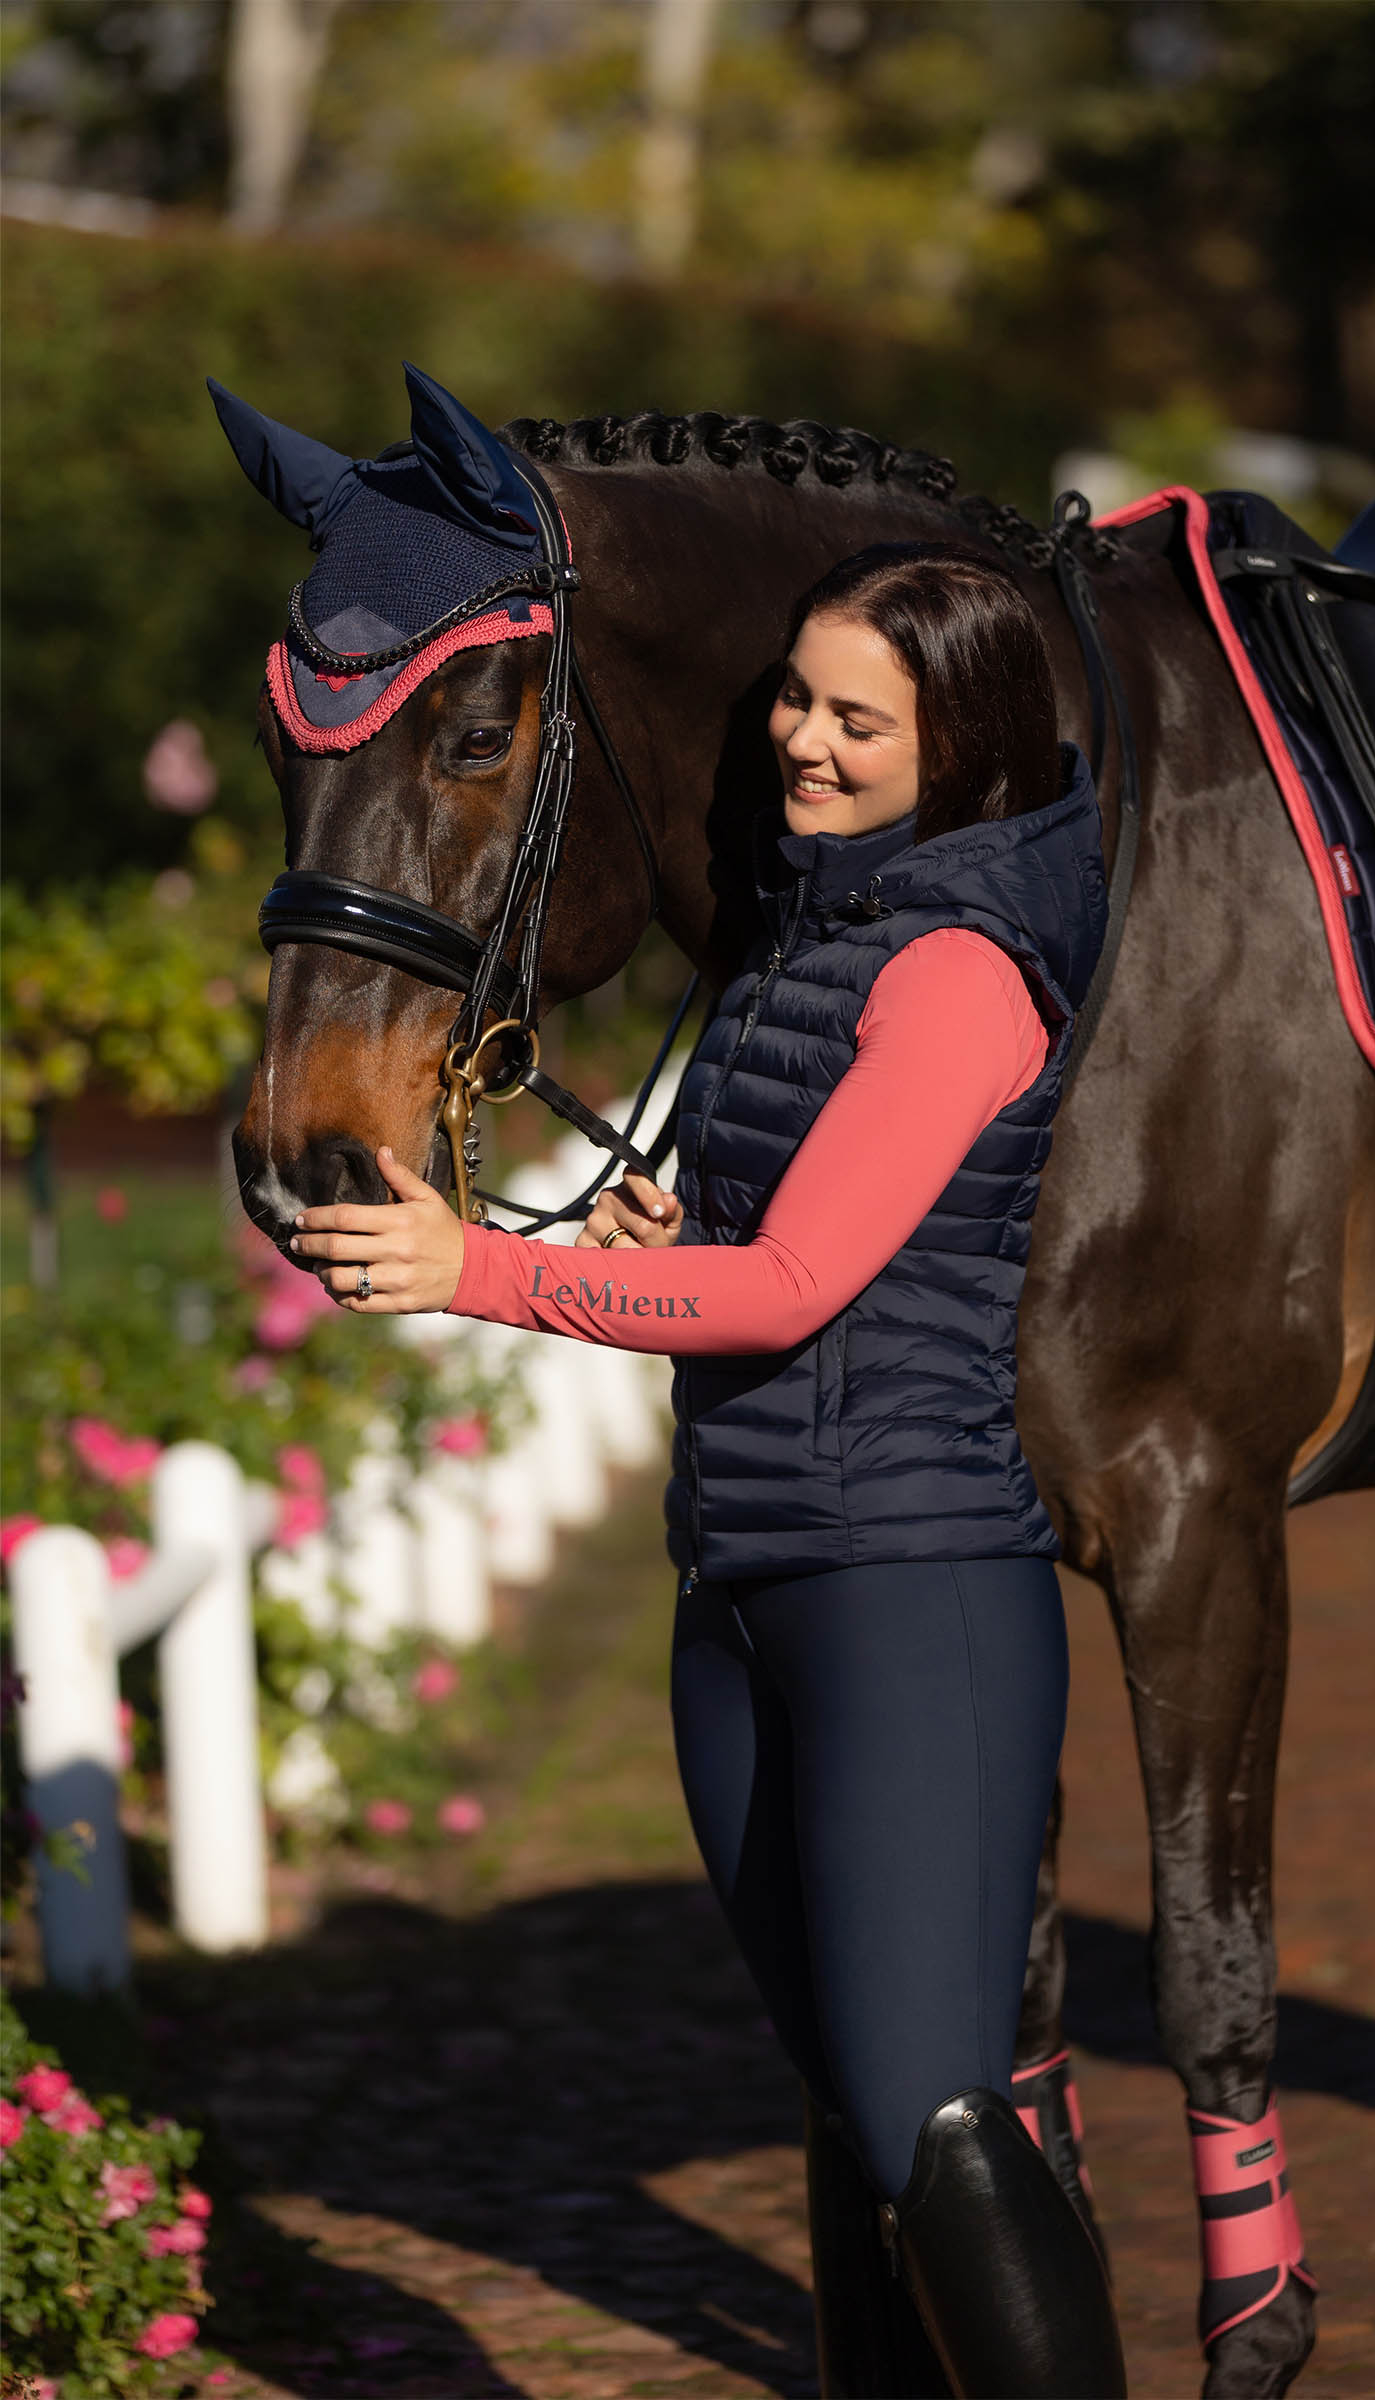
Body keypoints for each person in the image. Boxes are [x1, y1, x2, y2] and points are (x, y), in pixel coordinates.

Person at [291, 542, 1126, 2399]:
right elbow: (789, 1232)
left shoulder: (961, 968)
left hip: (907, 1594)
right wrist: (683, 1212)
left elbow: (803, 1288)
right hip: (738, 1589)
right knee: (847, 2099)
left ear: (961, 741)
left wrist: (483, 1265)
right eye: (795, 697)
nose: (805, 745)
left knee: (934, 2118)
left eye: (858, 717)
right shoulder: (803, 935)